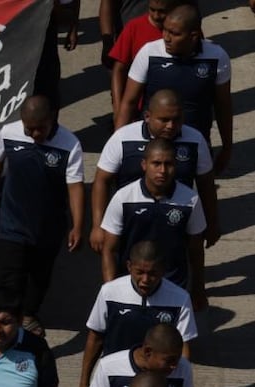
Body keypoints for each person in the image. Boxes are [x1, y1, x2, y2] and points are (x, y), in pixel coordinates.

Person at [0, 95, 84, 336]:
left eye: (40, 128)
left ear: (52, 119)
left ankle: (28, 314)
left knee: (39, 275)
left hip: (48, 226)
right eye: (30, 129)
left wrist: (78, 224)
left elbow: (75, 186)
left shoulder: (70, 144)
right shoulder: (8, 133)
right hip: (12, 221)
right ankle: (7, 322)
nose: (35, 134)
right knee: (11, 274)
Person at [91, 89, 218, 252]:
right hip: (131, 223)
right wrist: (97, 226)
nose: (171, 126)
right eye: (164, 120)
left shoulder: (195, 140)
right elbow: (102, 180)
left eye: (176, 119)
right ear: (148, 116)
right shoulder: (122, 138)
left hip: (175, 222)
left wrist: (212, 223)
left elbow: (206, 184)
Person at [116, 5, 232, 173]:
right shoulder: (149, 52)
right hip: (153, 147)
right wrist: (118, 144)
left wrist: (227, 147)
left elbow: (223, 105)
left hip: (194, 145)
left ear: (193, 36)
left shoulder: (217, 56)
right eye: (165, 30)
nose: (166, 37)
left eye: (174, 34)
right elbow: (129, 102)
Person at [100, 138, 206, 309]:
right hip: (131, 285)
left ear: (176, 166)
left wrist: (198, 289)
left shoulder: (190, 200)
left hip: (173, 286)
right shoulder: (123, 198)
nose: (162, 170)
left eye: (168, 164)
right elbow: (109, 249)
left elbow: (196, 249)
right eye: (156, 163)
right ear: (144, 165)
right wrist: (110, 291)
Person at [80, 240, 196, 368]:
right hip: (116, 374)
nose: (145, 280)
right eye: (140, 272)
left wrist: (181, 378)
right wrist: (84, 383)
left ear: (163, 270)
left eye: (152, 273)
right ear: (129, 267)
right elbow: (95, 338)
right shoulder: (109, 292)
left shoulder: (180, 299)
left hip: (157, 379)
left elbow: (183, 345)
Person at [105, 0, 178, 119]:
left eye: (161, 11)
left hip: (174, 110)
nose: (155, 16)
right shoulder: (134, 27)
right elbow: (118, 70)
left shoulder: (183, 31)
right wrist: (118, 110)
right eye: (152, 9)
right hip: (139, 111)